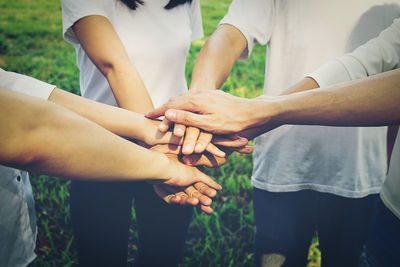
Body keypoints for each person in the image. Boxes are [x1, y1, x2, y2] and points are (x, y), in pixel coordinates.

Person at [147, 0, 400, 265]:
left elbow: (381, 71)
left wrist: (259, 112)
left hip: (360, 171)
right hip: (282, 164)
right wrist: (199, 100)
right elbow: (359, 64)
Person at [0, 68, 243, 267]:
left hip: (16, 242)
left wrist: (156, 133)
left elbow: (25, 92)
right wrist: (165, 165)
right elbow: (27, 129)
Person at [59, 0, 223, 266]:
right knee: (100, 256)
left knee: (163, 255)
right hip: (102, 145)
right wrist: (158, 155)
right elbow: (114, 64)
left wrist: (172, 147)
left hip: (171, 143)